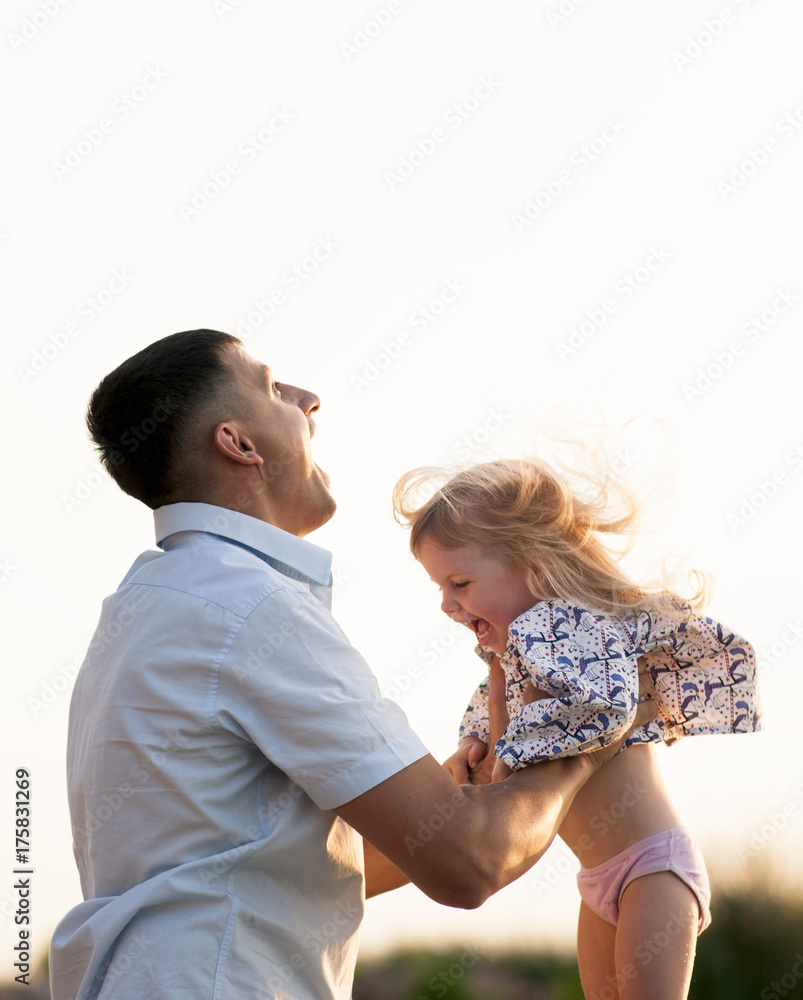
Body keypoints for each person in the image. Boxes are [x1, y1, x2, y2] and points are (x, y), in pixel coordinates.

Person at [50, 330, 657, 1000]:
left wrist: (450, 805)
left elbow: (280, 866)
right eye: (273, 387)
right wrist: (594, 733)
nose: (309, 400)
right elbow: (470, 865)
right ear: (239, 444)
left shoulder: (141, 608)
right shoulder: (250, 606)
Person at [393, 458, 762, 1000]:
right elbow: (493, 707)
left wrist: (511, 751)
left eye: (461, 582)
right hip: (599, 876)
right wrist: (474, 742)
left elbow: (605, 706)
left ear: (535, 569)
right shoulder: (520, 652)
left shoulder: (577, 627)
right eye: (441, 588)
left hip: (651, 864)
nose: (448, 604)